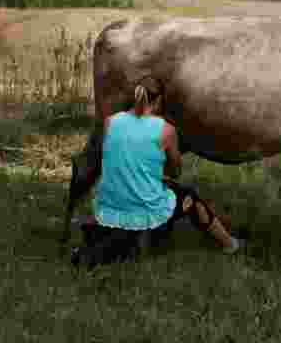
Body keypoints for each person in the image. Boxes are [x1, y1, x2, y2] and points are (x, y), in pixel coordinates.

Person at [71, 76, 246, 268]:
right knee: (190, 199)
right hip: (140, 206)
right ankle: (230, 245)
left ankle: (116, 239)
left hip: (111, 202)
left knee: (146, 193)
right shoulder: (166, 130)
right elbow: (175, 171)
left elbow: (115, 161)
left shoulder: (110, 123)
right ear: (159, 100)